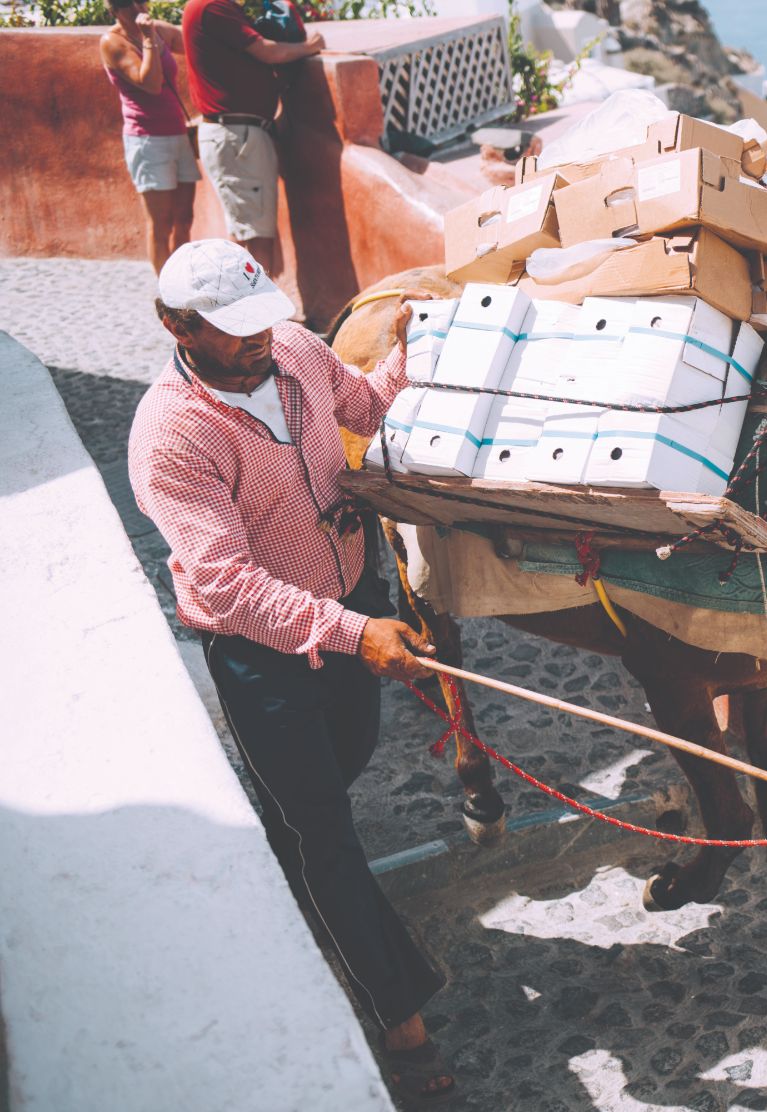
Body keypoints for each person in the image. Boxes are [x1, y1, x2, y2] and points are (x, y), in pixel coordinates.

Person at [128, 239, 457, 1104]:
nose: (257, 340)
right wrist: (353, 633)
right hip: (263, 658)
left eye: (260, 319)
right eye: (232, 331)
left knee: (333, 779)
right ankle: (402, 1020)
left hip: (351, 612)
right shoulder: (172, 436)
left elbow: (368, 405)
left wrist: (415, 352)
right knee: (326, 835)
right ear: (176, 327)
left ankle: (283, 855)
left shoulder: (294, 348)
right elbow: (226, 586)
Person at [181, 0, 322, 273]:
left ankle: (252, 310)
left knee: (250, 232)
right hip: (237, 137)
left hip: (238, 135)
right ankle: (257, 313)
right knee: (255, 240)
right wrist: (310, 45)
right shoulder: (213, 7)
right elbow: (266, 52)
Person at [100, 0, 197, 274]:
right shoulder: (112, 42)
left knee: (184, 217)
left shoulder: (160, 31)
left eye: (141, 1)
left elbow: (194, 43)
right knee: (161, 222)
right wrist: (148, 40)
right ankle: (167, 293)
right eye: (129, 4)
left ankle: (182, 281)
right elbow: (151, 84)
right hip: (147, 140)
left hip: (177, 133)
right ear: (115, 10)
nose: (138, 8)